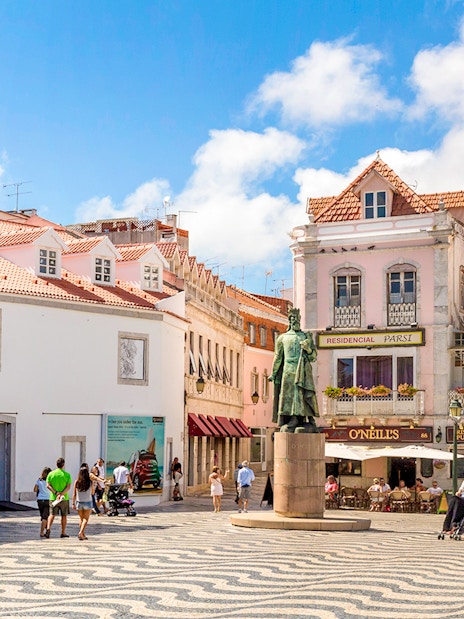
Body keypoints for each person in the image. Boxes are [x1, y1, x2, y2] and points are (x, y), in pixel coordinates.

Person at [269, 308, 319, 433]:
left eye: (297, 319)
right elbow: (278, 357)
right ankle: (292, 418)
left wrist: (308, 348)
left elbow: (313, 357)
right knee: (289, 396)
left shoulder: (306, 337)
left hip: (302, 369)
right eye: (293, 319)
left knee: (302, 394)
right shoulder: (282, 338)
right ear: (289, 321)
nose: (295, 321)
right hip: (288, 369)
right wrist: (273, 373)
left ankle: (304, 417)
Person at [44, 457, 72, 539]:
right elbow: (68, 487)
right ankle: (63, 532)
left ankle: (48, 528)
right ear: (63, 465)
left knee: (51, 514)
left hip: (53, 497)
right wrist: (61, 493)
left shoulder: (51, 474)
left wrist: (56, 493)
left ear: (56, 465)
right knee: (64, 516)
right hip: (64, 498)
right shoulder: (67, 475)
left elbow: (48, 485)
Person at [72, 464, 94, 540]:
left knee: (81, 519)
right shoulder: (90, 482)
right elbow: (93, 492)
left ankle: (83, 534)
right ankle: (81, 532)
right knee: (86, 519)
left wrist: (73, 503)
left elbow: (74, 494)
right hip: (87, 501)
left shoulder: (77, 482)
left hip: (79, 502)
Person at [34, 467, 51, 537]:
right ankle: (42, 532)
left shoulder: (39, 480)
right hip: (48, 499)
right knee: (45, 517)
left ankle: (47, 530)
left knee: (43, 516)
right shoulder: (50, 481)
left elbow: (35, 489)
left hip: (40, 500)